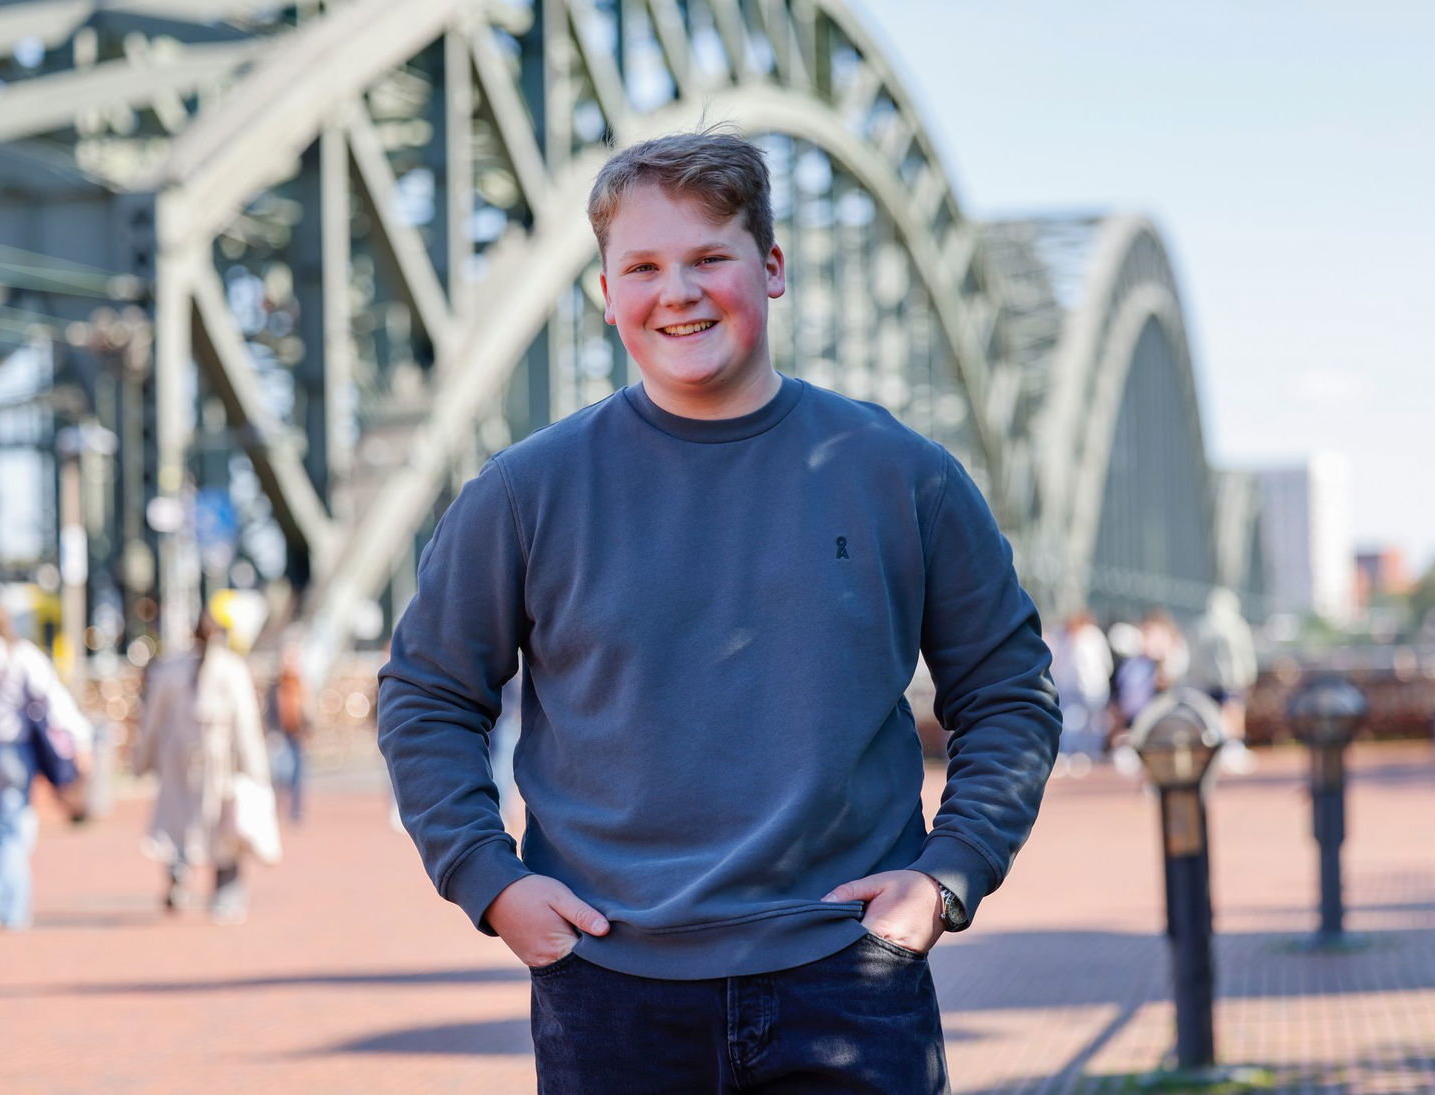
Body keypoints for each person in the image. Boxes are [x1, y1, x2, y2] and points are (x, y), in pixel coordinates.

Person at [378, 130, 1062, 1094]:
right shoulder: (525, 493)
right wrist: (490, 883)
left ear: (771, 266)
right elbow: (426, 696)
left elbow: (1009, 695)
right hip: (609, 983)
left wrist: (950, 871)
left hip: (849, 978)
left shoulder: (902, 475)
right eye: (643, 267)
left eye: (710, 258)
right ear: (605, 293)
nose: (678, 292)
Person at [0, 596, 92, 929]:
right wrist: (80, 743)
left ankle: (9, 911)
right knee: (12, 830)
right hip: (10, 751)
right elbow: (54, 700)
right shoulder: (19, 655)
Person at [135, 611, 276, 925]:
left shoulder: (172, 668)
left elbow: (152, 719)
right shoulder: (230, 668)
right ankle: (222, 892)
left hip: (184, 760)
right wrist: (256, 771)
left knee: (184, 824)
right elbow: (246, 725)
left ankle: (181, 877)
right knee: (218, 829)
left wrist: (143, 759)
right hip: (214, 762)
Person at [1189, 588, 1259, 773]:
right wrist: (1248, 674)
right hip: (1228, 678)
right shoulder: (1235, 625)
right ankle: (1229, 748)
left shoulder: (1204, 625)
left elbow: (1194, 657)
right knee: (1229, 713)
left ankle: (1229, 748)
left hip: (1217, 679)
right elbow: (1246, 654)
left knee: (1225, 713)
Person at [1048, 610, 1113, 775]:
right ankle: (1070, 754)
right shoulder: (1064, 637)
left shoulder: (1093, 636)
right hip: (1071, 688)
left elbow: (1105, 663)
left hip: (1094, 688)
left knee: (1094, 724)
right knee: (1071, 721)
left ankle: (1090, 754)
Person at [268, 644, 311, 824]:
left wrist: (308, 729)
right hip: (281, 734)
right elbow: (270, 710)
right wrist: (272, 731)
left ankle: (295, 811)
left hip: (297, 735)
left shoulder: (302, 685)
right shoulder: (276, 686)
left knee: (298, 775)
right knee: (280, 775)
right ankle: (278, 809)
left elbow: (307, 710)